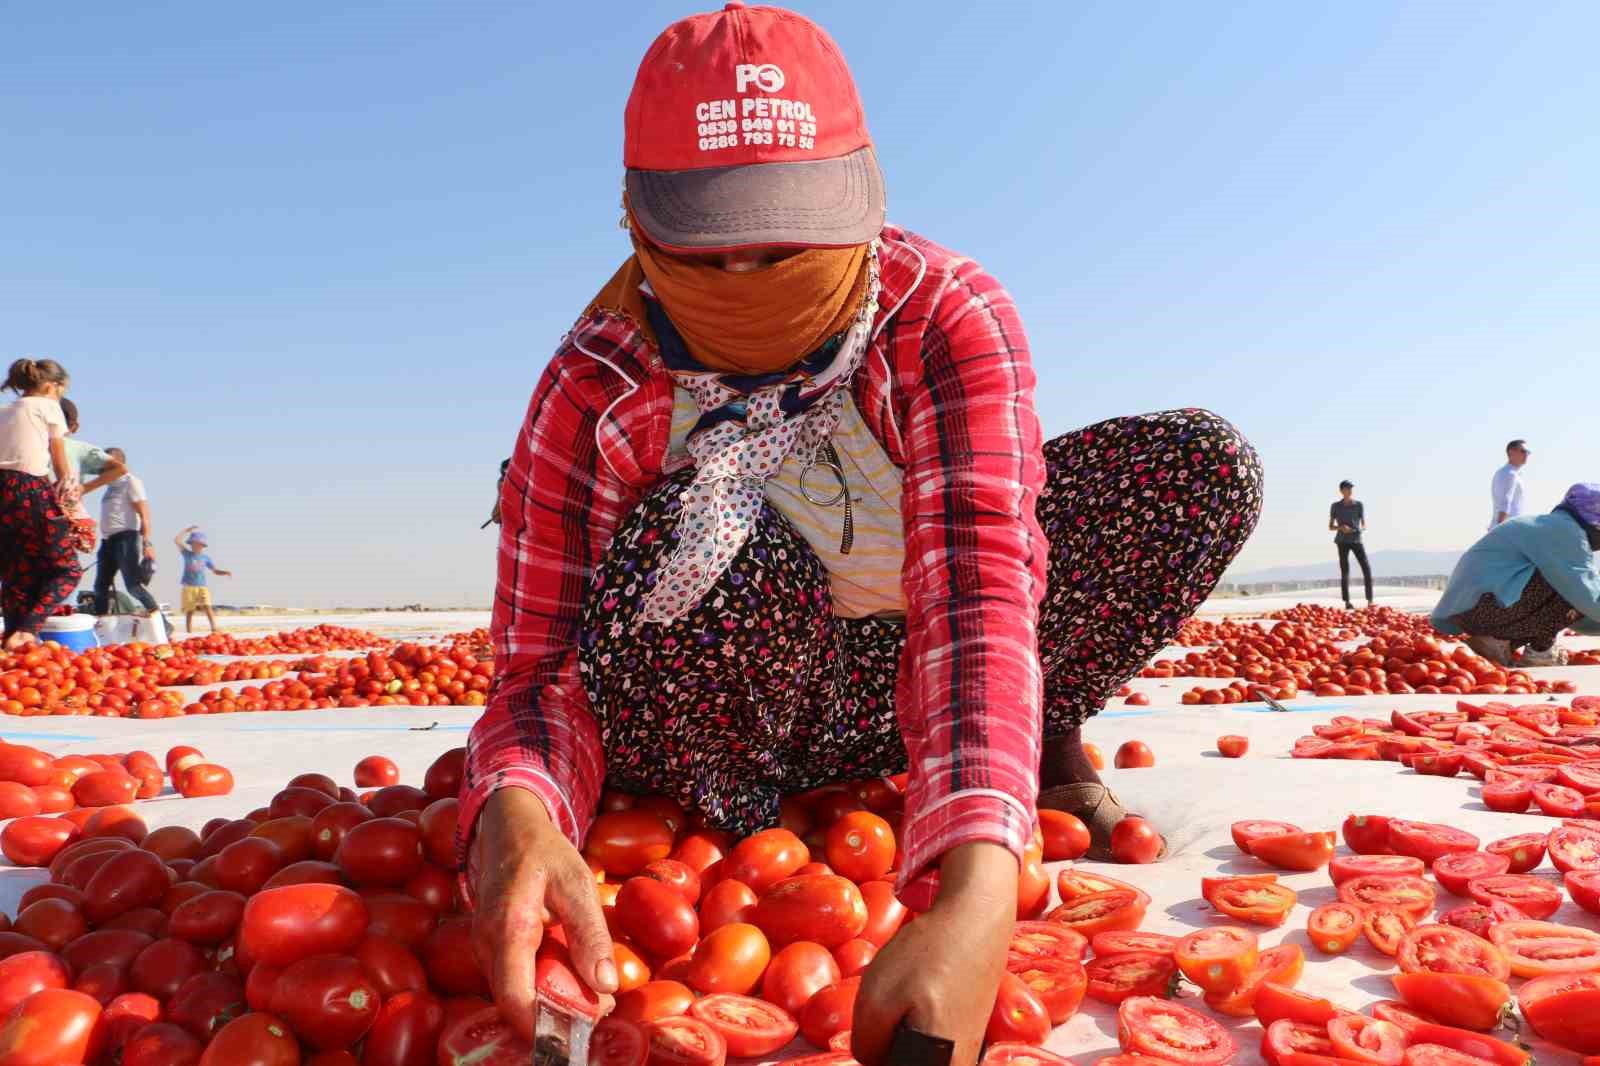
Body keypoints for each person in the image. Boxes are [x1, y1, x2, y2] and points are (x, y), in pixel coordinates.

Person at [462, 9, 1264, 1066]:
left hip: (904, 669)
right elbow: (540, 666)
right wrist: (517, 807)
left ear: (866, 195)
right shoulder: (594, 386)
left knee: (1196, 468)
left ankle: (1016, 747)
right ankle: (741, 810)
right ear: (636, 221)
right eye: (712, 251)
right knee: (697, 540)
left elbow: (977, 591)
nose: (753, 280)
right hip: (729, 702)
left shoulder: (942, 314)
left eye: (789, 242)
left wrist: (976, 885)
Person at [1434, 483, 1600, 667]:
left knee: (1570, 584)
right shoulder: (1566, 534)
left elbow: (1582, 610)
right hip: (1488, 610)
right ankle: (1539, 651)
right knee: (1569, 585)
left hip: (1475, 611)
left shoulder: (1551, 526)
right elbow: (1586, 598)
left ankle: (1496, 642)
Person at [0, 358, 82, 649]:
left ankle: (12, 640)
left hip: (3, 493)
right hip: (29, 488)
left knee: (16, 571)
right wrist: (71, 503)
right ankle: (28, 629)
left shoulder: (5, 411)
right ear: (51, 386)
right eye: (61, 390)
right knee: (67, 568)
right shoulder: (48, 407)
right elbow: (59, 461)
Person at [91, 448, 161, 617]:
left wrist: (147, 543)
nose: (103, 469)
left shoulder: (131, 482)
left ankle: (161, 622)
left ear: (119, 464)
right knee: (100, 586)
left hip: (126, 539)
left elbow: (144, 514)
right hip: (108, 541)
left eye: (107, 465)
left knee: (133, 586)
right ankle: (101, 624)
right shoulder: (109, 487)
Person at [58, 398, 128, 555]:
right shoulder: (78, 449)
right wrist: (84, 488)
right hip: (63, 523)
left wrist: (84, 488)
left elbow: (119, 469)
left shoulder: (24, 445)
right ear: (74, 427)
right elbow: (119, 468)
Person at [175, 526, 231, 633]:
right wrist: (186, 531)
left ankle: (214, 627)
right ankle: (189, 631)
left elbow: (215, 571)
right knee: (190, 611)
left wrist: (224, 572)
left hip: (202, 586)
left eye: (198, 544)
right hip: (188, 587)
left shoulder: (206, 558)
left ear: (202, 545)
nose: (196, 546)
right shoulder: (187, 554)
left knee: (207, 606)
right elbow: (177, 540)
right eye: (193, 544)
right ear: (191, 544)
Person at [1329, 480, 1372, 610]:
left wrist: (1357, 529)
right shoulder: (1335, 506)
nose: (1350, 490)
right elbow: (1330, 526)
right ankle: (1347, 601)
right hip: (1342, 541)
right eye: (1347, 488)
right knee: (1345, 571)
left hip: (1356, 539)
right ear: (1342, 491)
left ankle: (1370, 600)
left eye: (1351, 488)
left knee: (1366, 568)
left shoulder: (1359, 505)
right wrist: (1340, 527)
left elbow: (1364, 524)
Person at [1490, 439, 1530, 529]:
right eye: (1523, 451)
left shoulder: (1511, 473)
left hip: (1512, 527)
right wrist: (1498, 530)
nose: (1526, 454)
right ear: (1511, 452)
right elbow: (1505, 503)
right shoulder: (1509, 474)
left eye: (1528, 452)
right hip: (1507, 529)